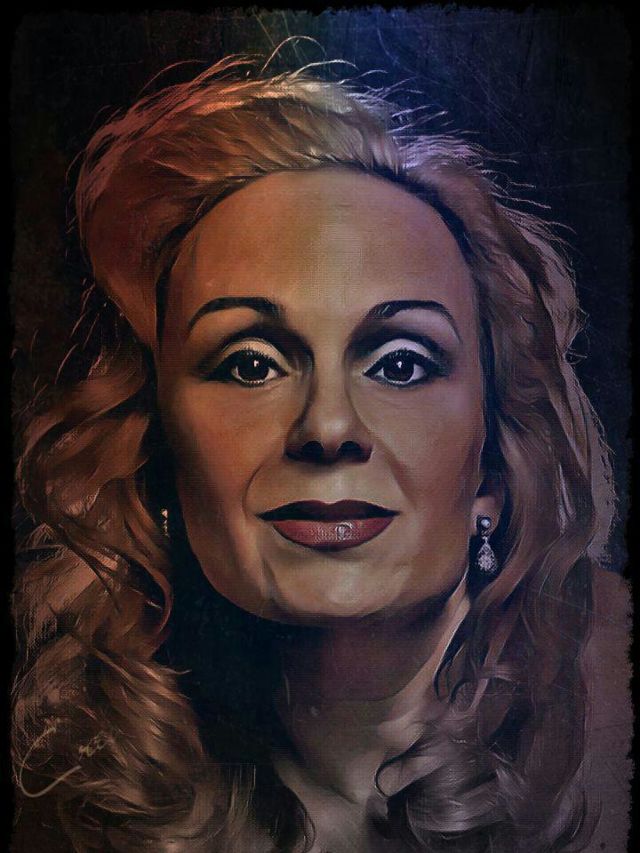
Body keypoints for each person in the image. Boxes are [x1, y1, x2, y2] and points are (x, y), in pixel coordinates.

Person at [11, 57, 630, 852]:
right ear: (157, 450)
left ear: (495, 464)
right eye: (251, 363)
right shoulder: (57, 792)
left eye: (400, 363)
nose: (328, 426)